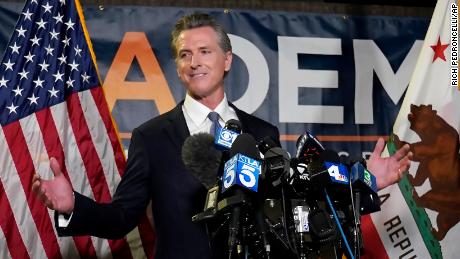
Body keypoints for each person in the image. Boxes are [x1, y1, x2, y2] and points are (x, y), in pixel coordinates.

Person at [32, 12, 412, 259]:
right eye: (184, 54)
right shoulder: (151, 137)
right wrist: (73, 207)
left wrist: (366, 182)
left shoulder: (262, 133)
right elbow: (120, 217)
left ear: (227, 60)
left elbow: (295, 211)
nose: (194, 62)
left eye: (204, 51)